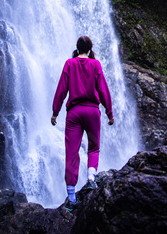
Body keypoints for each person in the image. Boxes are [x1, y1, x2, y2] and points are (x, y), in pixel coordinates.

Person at [51, 36, 114, 211]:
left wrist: (55, 112)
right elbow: (103, 89)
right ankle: (91, 179)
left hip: (74, 113)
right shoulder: (96, 64)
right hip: (92, 111)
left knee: (71, 153)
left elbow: (62, 89)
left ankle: (71, 198)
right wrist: (109, 112)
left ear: (77, 48)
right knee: (93, 147)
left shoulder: (69, 63)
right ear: (90, 48)